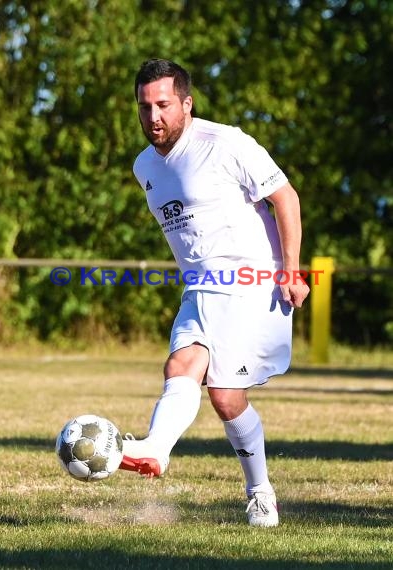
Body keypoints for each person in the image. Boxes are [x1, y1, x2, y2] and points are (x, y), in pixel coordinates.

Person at [119, 58, 310, 527]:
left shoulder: (226, 143)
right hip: (201, 285)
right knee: (181, 366)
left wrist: (291, 271)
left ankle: (260, 491)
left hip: (251, 280)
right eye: (144, 107)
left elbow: (285, 198)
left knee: (225, 396)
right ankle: (156, 452)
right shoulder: (145, 165)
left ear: (186, 103)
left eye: (163, 105)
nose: (153, 117)